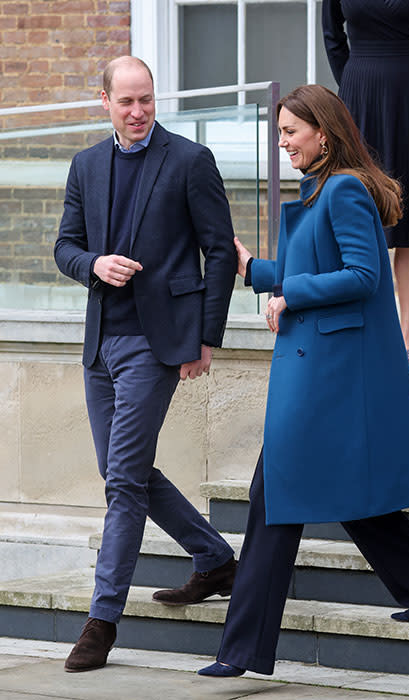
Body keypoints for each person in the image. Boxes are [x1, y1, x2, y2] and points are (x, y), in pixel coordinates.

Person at [197, 84, 409, 679]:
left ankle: (240, 651)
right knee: (350, 501)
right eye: (280, 133)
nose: (283, 142)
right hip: (321, 370)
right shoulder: (320, 187)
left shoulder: (343, 188)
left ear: (325, 131)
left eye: (292, 131)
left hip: (334, 377)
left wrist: (289, 292)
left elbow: (365, 276)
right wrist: (255, 270)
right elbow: (311, 268)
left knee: (275, 499)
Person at [54, 55, 238, 673]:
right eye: (126, 101)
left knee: (123, 483)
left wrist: (204, 336)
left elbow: (218, 249)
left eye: (147, 101)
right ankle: (214, 558)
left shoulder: (190, 160)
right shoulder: (85, 165)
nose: (138, 113)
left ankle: (101, 621)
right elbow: (65, 246)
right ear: (103, 99)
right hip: (100, 341)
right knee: (121, 470)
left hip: (156, 345)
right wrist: (94, 265)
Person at [322, 0, 409, 374]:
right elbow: (333, 37)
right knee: (359, 215)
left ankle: (407, 341)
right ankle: (363, 334)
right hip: (359, 94)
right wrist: (352, 83)